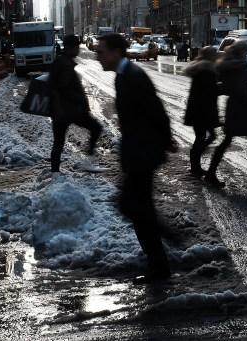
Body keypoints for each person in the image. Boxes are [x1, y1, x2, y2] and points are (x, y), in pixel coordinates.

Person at [96, 33, 174, 284]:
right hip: (139, 152)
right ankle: (159, 261)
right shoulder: (124, 76)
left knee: (132, 206)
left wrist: (164, 140)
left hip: (144, 153)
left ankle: (162, 256)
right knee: (137, 206)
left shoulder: (133, 76)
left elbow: (156, 109)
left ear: (117, 52)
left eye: (102, 52)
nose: (98, 56)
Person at [204, 40, 247, 188]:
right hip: (241, 107)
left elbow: (232, 86)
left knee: (232, 141)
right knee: (239, 141)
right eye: (245, 50)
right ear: (240, 51)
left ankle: (213, 172)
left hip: (235, 107)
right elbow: (238, 87)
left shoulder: (231, 65)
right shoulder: (237, 66)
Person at [49, 34, 103, 173]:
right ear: (69, 48)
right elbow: (63, 88)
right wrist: (80, 99)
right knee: (96, 128)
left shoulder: (60, 61)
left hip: (59, 111)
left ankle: (55, 172)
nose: (78, 50)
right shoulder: (65, 64)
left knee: (58, 143)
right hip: (70, 111)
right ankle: (88, 161)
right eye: (77, 47)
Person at [183, 46, 220, 176]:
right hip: (202, 112)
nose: (217, 56)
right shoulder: (207, 70)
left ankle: (195, 163)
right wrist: (223, 88)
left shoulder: (200, 68)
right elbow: (209, 93)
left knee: (202, 137)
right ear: (211, 56)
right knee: (203, 138)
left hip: (196, 111)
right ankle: (195, 165)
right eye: (215, 54)